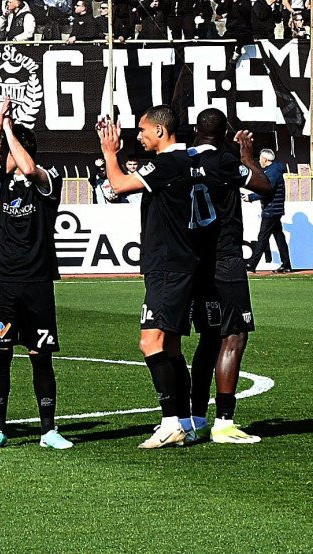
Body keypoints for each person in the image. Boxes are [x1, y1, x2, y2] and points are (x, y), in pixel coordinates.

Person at [95, 107, 198, 449]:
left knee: (150, 343)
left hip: (168, 265)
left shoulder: (168, 163)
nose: (138, 137)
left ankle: (170, 422)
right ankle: (184, 422)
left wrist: (110, 152)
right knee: (169, 345)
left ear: (160, 131)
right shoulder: (183, 163)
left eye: (142, 130)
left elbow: (119, 184)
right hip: (178, 263)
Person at [0, 115, 70, 450]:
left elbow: (29, 170)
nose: (1, 156)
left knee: (40, 355)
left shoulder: (48, 179)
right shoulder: (1, 184)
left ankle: (49, 429)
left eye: (6, 150)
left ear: (21, 149)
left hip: (37, 281)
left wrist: (10, 133)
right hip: (2, 282)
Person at [187, 110, 271, 443]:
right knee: (233, 335)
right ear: (225, 134)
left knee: (208, 337)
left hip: (195, 260)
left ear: (196, 130)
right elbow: (263, 185)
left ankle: (194, 417)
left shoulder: (183, 160)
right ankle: (224, 420)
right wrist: (247, 155)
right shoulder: (225, 160)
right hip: (225, 258)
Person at [246, 143, 292, 273]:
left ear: (265, 160)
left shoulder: (272, 172)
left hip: (271, 210)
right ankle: (286, 264)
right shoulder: (274, 170)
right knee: (279, 238)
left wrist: (251, 197)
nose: (259, 160)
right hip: (274, 209)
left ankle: (252, 265)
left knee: (262, 238)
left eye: (260, 158)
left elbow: (267, 190)